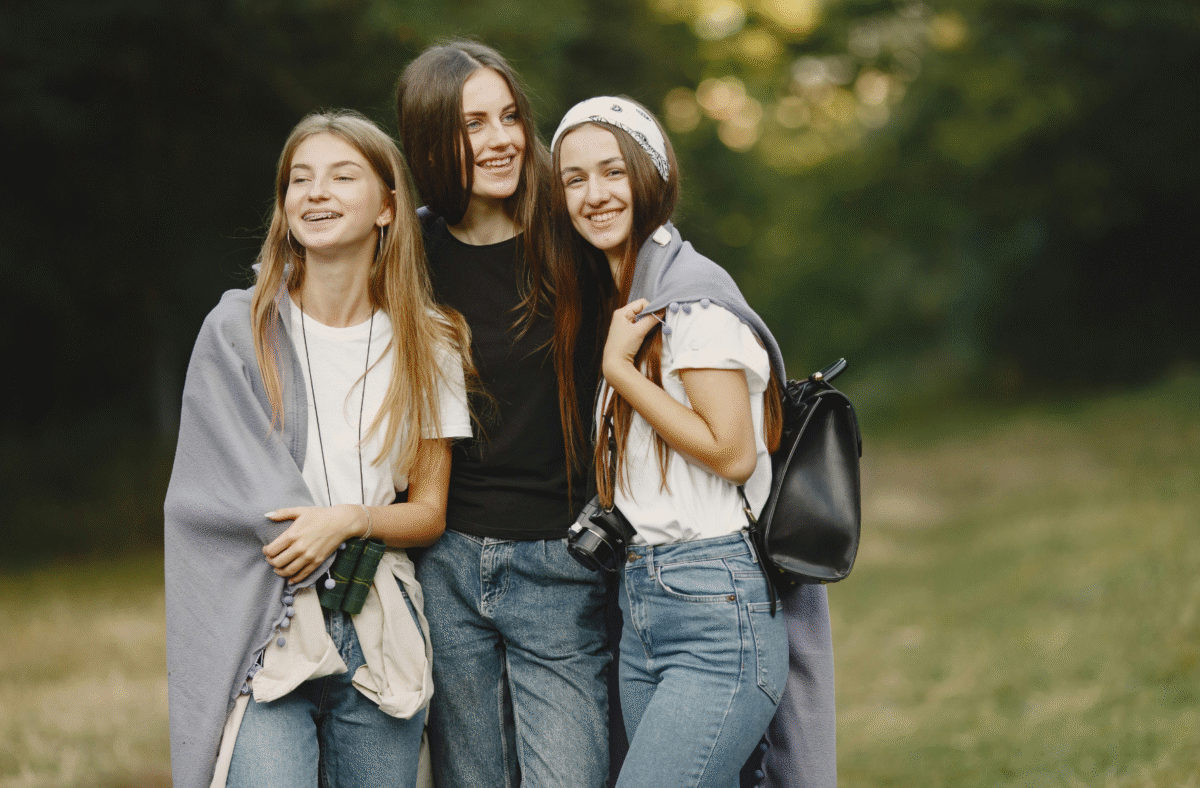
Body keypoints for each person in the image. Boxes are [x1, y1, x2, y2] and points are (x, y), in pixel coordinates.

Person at [163, 109, 473, 788]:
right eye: (298, 180)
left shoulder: (430, 341)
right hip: (265, 622)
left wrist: (347, 518)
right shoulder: (237, 331)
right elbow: (201, 502)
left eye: (341, 176)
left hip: (377, 620)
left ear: (389, 207)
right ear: (283, 207)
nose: (316, 192)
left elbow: (428, 512)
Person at [551, 95, 828, 788]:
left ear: (651, 173)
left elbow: (732, 450)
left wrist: (618, 372)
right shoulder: (631, 297)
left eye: (612, 171)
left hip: (715, 609)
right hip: (647, 604)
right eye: (574, 179)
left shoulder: (692, 300)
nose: (594, 194)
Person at [395, 42, 612, 787]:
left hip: (560, 559)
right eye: (472, 125)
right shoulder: (407, 253)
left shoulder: (575, 236)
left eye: (510, 116)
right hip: (445, 561)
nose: (501, 139)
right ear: (431, 144)